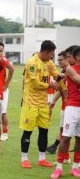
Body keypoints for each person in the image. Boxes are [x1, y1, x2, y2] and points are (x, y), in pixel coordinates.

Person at [20, 40, 67, 168]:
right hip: (30, 103)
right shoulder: (31, 63)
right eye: (51, 54)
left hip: (43, 104)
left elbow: (57, 77)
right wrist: (50, 85)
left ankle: (42, 158)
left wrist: (65, 95)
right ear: (46, 52)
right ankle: (24, 158)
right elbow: (35, 84)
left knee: (44, 131)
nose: (51, 57)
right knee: (28, 132)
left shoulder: (49, 63)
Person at [50, 46, 80, 179]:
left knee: (79, 138)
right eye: (66, 57)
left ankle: (75, 167)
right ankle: (59, 168)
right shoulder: (70, 68)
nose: (67, 60)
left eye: (69, 57)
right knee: (66, 137)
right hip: (72, 108)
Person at [47, 46, 77, 154]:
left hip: (72, 106)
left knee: (66, 131)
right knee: (65, 131)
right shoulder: (65, 71)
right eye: (58, 60)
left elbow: (62, 87)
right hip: (67, 105)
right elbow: (62, 88)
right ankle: (64, 155)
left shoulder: (71, 71)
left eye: (61, 59)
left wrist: (46, 84)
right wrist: (53, 101)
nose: (58, 61)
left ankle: (58, 150)